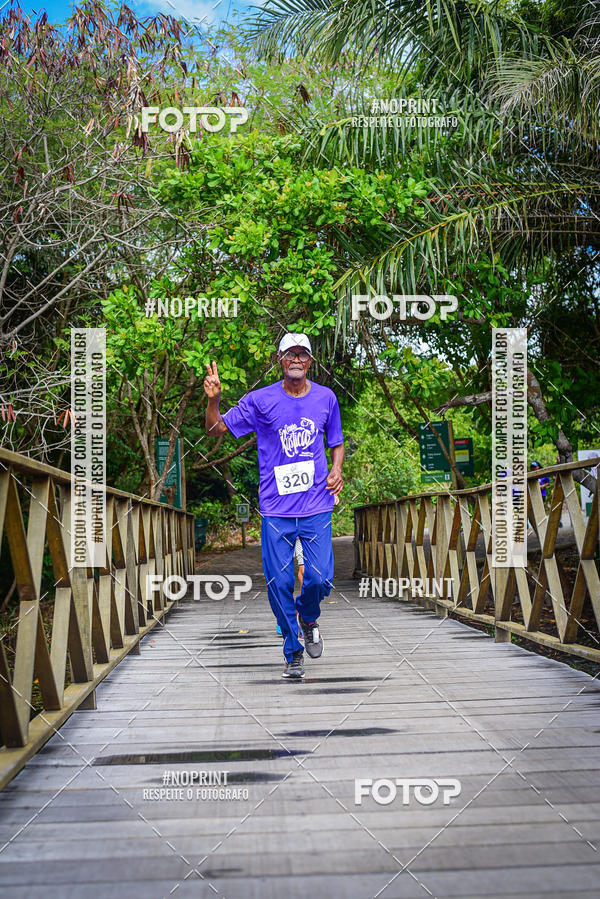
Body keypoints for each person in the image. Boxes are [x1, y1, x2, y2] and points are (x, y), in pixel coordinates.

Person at [204, 332, 345, 679]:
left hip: (316, 506)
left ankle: (308, 618)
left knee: (320, 579)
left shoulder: (326, 398)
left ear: (310, 362)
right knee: (279, 584)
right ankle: (292, 651)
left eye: (303, 354)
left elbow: (336, 442)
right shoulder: (260, 401)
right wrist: (214, 400)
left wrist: (337, 469)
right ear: (279, 360)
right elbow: (215, 429)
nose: (296, 359)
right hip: (276, 511)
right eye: (290, 354)